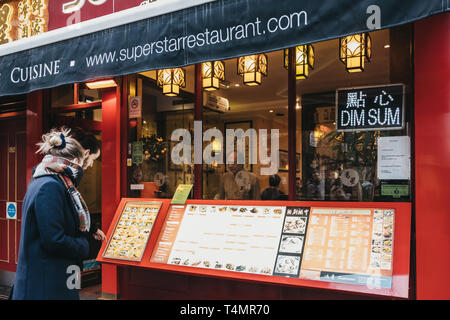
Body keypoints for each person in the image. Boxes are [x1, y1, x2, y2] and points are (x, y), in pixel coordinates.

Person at [12, 127, 104, 300]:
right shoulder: (50, 186)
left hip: (53, 278)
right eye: (85, 161)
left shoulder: (52, 182)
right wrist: (83, 246)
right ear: (76, 159)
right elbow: (54, 239)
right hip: (46, 283)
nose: (87, 166)